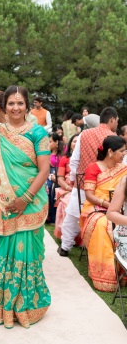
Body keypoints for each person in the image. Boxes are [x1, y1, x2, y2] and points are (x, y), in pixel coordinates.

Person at [0, 85, 51, 327]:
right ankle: (2, 305)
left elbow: (44, 169)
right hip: (2, 202)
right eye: (11, 103)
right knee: (4, 252)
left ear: (27, 106)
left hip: (30, 201)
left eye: (20, 103)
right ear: (4, 107)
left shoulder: (37, 133)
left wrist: (25, 197)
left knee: (27, 254)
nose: (15, 108)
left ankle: (27, 304)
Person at [63, 108, 118, 256]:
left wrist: (74, 180)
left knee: (73, 215)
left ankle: (65, 246)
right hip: (105, 188)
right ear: (112, 119)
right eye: (117, 121)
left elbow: (74, 160)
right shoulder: (114, 138)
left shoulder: (84, 134)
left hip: (82, 184)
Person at [79, 135, 127, 291]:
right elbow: (89, 195)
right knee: (103, 225)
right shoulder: (94, 167)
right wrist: (108, 204)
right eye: (122, 151)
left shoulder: (123, 168)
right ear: (111, 152)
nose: (124, 154)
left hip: (119, 207)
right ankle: (107, 275)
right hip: (96, 208)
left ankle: (123, 271)